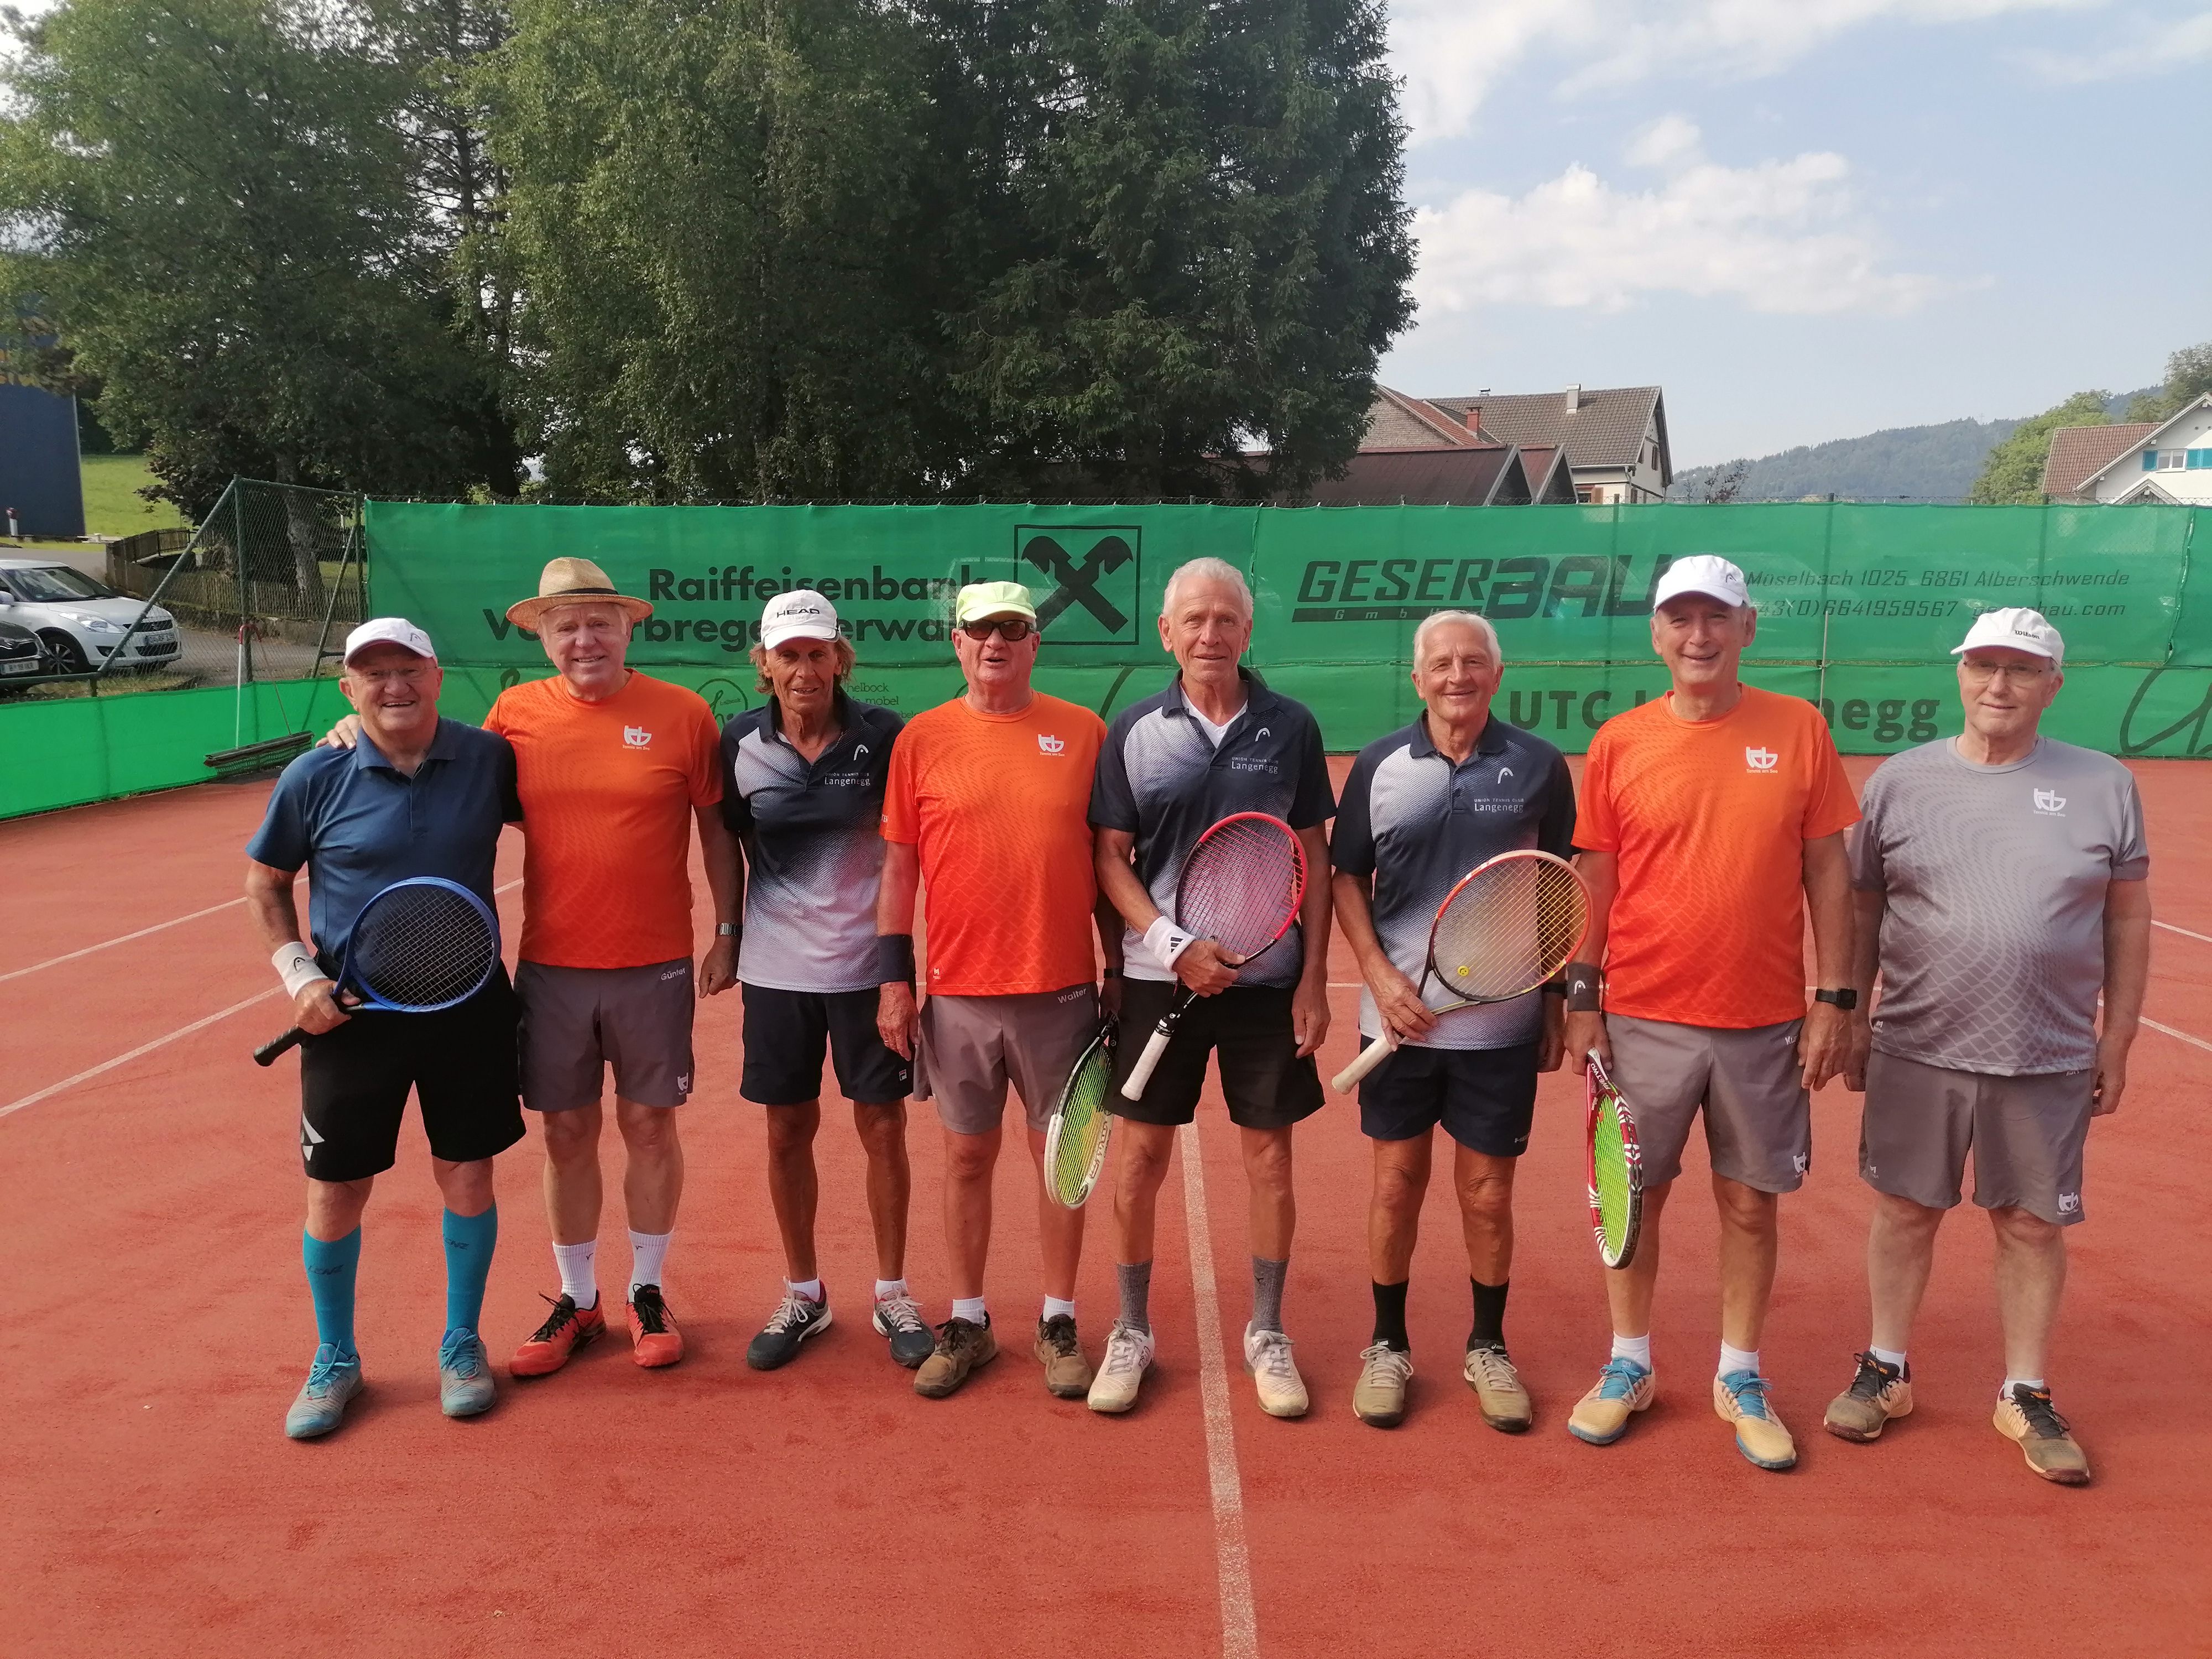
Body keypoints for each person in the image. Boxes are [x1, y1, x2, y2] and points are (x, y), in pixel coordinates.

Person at [328, 557, 738, 1373]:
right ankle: (579, 1302)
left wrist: (728, 929)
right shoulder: (514, 715)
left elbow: (716, 830)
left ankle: (647, 1292)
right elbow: (434, 756)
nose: (584, 639)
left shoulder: (684, 714)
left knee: (650, 1126)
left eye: (598, 623)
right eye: (565, 626)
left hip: (653, 964)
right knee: (567, 1133)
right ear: (544, 638)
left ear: (629, 628)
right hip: (551, 966)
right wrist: (353, 730)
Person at [1824, 608, 2149, 1486]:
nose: (1998, 685)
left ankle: (2025, 1391)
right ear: (1960, 673)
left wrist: (2116, 1036)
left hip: (2047, 1053)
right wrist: (1850, 1013)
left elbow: (2126, 914)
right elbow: (1862, 907)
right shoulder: (1899, 781)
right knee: (1903, 1210)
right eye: (1984, 666)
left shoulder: (2105, 784)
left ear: (2054, 683)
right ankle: (1886, 1370)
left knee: (2032, 1225)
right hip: (1918, 1043)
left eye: (2021, 669)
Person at [1562, 554, 1859, 1472]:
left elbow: (1827, 872)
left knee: (1749, 1202)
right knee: (1634, 1202)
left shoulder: (1799, 729)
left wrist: (1835, 999)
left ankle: (1740, 1373)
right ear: (1657, 634)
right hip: (1643, 1016)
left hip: (1765, 1020)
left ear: (1746, 628)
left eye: (1716, 618)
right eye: (1681, 620)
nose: (1699, 636)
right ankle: (1630, 1365)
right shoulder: (1619, 741)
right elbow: (1597, 878)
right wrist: (1582, 993)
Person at [246, 618, 524, 1438]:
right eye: (374, 675)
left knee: (467, 1177)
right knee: (335, 1191)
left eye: (408, 670)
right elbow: (266, 885)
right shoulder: (314, 774)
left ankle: (462, 1344)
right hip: (353, 1016)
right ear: (348, 690)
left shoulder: (488, 759)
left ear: (438, 676)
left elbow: (565, 823)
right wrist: (300, 977)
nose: (393, 687)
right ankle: (337, 1359)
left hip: (469, 1006)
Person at [1085, 558, 1334, 1419]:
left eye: (1226, 619)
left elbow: (1316, 853)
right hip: (1163, 979)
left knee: (1269, 1158)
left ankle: (1268, 1333)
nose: (1210, 634)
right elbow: (1109, 858)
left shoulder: (1291, 727)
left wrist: (1311, 978)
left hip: (1267, 981)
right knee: (1141, 1158)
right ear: (1167, 633)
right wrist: (1171, 943)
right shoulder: (1134, 730)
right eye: (1194, 620)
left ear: (1247, 631)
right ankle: (1130, 1331)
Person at [1329, 610, 1574, 1431]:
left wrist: (1549, 999)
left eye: (1474, 662)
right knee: (1396, 1186)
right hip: (1394, 1022)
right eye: (1441, 663)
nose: (1457, 675)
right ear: (1417, 677)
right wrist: (1378, 976)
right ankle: (1387, 1345)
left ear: (1498, 675)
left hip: (1497, 1030)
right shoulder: (1379, 766)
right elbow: (1346, 881)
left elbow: (1556, 889)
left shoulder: (1539, 767)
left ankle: (1488, 1347)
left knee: (1486, 1195)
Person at [876, 581, 1117, 1401]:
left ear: (1034, 644)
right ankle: (970, 1322)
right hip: (958, 998)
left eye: (1013, 630)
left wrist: (1118, 968)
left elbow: (1112, 859)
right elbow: (900, 867)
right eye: (981, 631)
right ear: (956, 643)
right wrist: (893, 981)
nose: (996, 644)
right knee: (965, 1156)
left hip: (1061, 995)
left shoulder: (1084, 735)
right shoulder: (922, 739)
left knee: (1060, 1167)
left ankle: (1056, 1319)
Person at [717, 589, 933, 1371]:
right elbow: (727, 839)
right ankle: (803, 1293)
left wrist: (899, 973)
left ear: (842, 658)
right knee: (786, 1130)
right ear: (764, 665)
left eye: (818, 653)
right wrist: (727, 932)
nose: (804, 670)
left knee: (882, 1128)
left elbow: (908, 859)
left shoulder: (887, 737)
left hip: (866, 972)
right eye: (789, 656)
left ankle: (891, 1292)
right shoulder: (738, 742)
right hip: (775, 974)